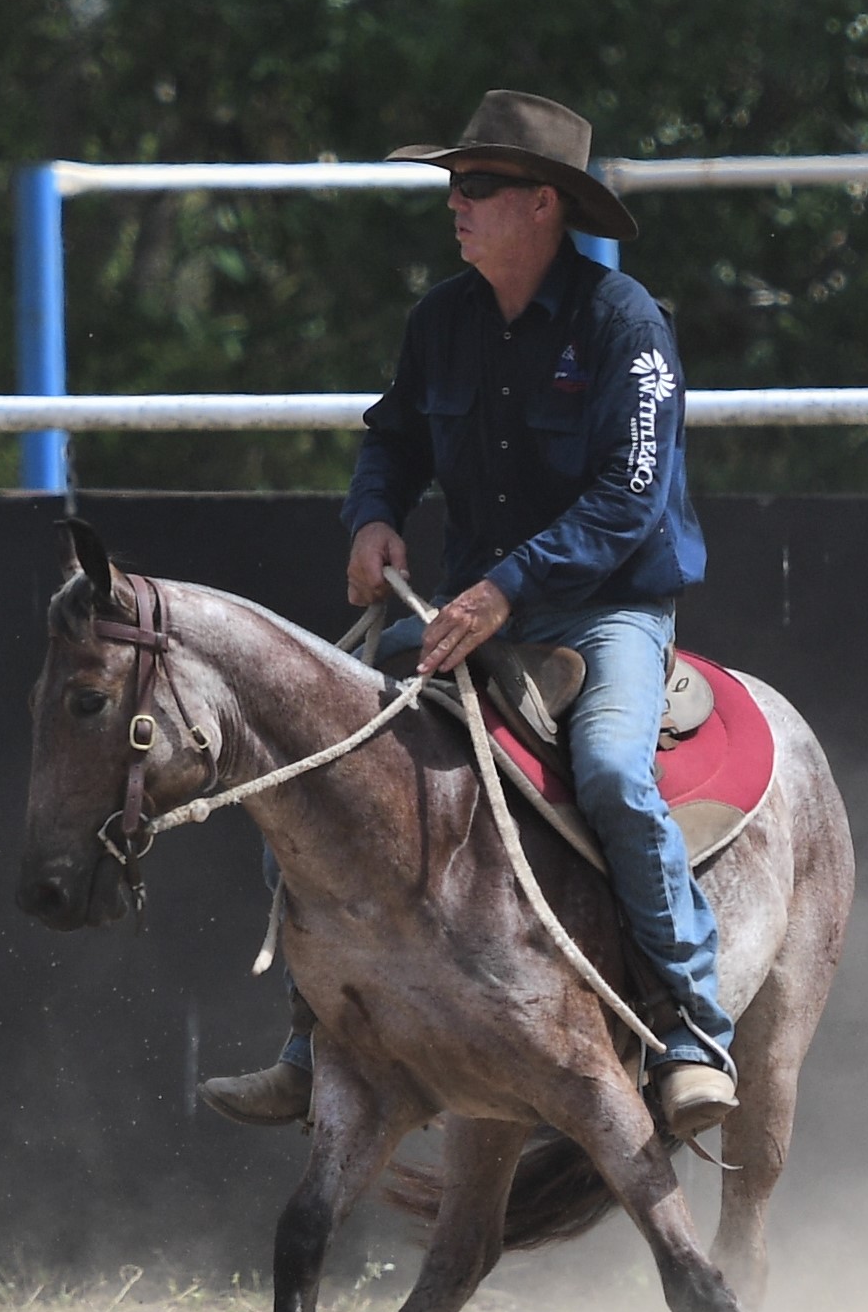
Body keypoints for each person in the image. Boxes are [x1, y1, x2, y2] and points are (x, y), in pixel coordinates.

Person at [199, 89, 738, 1142]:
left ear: (543, 204)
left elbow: (628, 500)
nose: (455, 202)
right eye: (453, 184)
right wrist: (372, 517)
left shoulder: (624, 323)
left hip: (604, 613)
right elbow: (393, 439)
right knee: (316, 764)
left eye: (478, 185)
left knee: (613, 774)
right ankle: (313, 1038)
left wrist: (501, 590)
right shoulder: (440, 320)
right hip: (471, 608)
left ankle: (691, 1030)